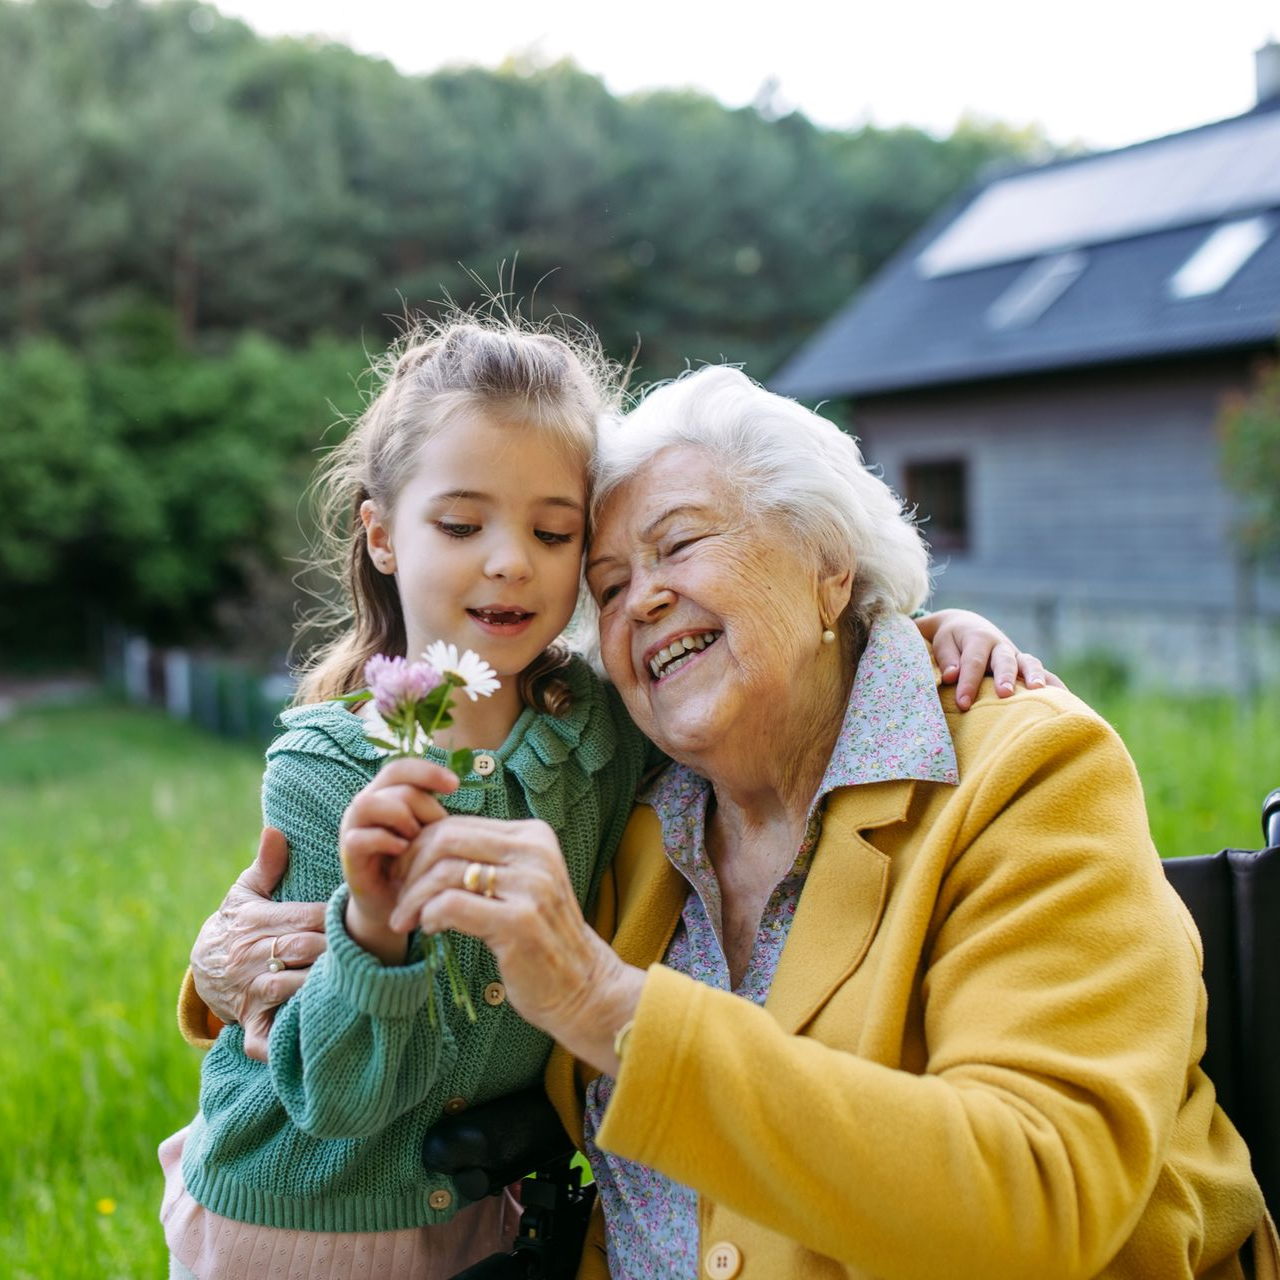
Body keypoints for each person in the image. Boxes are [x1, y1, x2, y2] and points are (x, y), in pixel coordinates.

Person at [164, 317, 1044, 1280]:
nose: (509, 562)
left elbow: (783, 658)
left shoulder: (602, 734)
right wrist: (264, 958)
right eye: (613, 579)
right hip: (304, 1220)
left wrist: (917, 632)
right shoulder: (367, 764)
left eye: (553, 535)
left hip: (492, 1222)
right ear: (379, 532)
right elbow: (308, 1018)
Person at [355, 366, 1276, 1278]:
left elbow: (1041, 1193)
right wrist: (286, 930)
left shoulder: (1024, 773)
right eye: (607, 585)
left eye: (680, 545)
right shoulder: (632, 824)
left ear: (829, 567)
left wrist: (608, 1006)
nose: (641, 600)